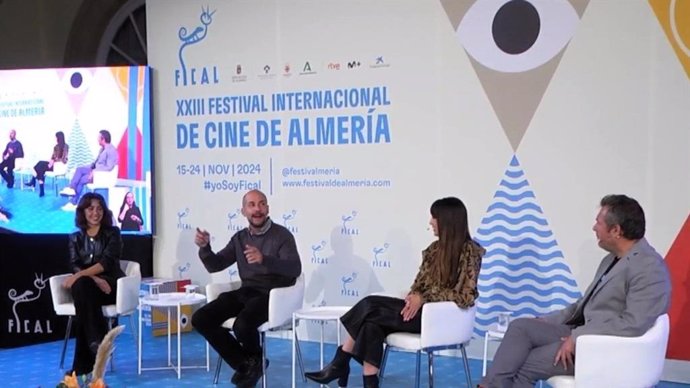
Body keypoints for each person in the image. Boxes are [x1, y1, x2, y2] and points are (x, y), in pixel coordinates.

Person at [479, 194, 672, 388]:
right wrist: (545, 320)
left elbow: (632, 323)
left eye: (598, 222)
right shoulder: (612, 260)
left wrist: (578, 337)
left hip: (604, 347)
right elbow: (582, 306)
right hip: (583, 332)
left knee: (527, 363)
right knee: (521, 327)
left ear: (616, 231)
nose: (594, 227)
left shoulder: (648, 267)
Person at [305, 197, 485, 388]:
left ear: (448, 220)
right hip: (418, 313)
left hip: (440, 320)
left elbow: (466, 297)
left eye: (434, 217)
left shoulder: (470, 252)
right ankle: (367, 383)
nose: (430, 222)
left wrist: (423, 298)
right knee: (370, 324)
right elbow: (418, 285)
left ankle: (340, 361)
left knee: (370, 304)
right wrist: (414, 296)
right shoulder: (433, 250)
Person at [192, 189, 302, 388]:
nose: (257, 209)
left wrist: (265, 259)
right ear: (243, 211)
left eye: (261, 204)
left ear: (267, 208)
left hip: (274, 294)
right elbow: (215, 265)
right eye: (251, 205)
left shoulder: (282, 235)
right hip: (248, 291)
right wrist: (205, 248)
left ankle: (250, 366)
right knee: (201, 318)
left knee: (242, 325)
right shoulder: (240, 238)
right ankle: (247, 364)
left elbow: (295, 268)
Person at [61, 192, 125, 377]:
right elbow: (74, 264)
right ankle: (97, 340)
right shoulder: (75, 238)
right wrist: (92, 278)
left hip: (110, 286)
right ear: (83, 211)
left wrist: (84, 275)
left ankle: (81, 366)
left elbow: (107, 262)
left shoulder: (113, 233)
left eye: (99, 209)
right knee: (83, 291)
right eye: (91, 208)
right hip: (88, 288)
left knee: (81, 290)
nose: (95, 213)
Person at [60, 130, 118, 211]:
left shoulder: (111, 150)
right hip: (95, 170)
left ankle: (74, 202)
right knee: (79, 169)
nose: (97, 139)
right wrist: (88, 167)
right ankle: (72, 189)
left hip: (101, 175)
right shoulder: (102, 149)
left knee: (82, 180)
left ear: (103, 139)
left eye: (98, 138)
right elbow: (95, 163)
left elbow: (109, 167)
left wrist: (95, 171)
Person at [25, 131, 69, 197]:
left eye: (56, 137)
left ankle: (35, 181)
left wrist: (51, 163)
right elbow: (57, 157)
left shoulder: (57, 147)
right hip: (59, 166)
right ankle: (35, 183)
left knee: (39, 166)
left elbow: (56, 158)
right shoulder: (65, 146)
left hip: (57, 167)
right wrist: (51, 161)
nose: (55, 139)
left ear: (58, 138)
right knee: (40, 165)